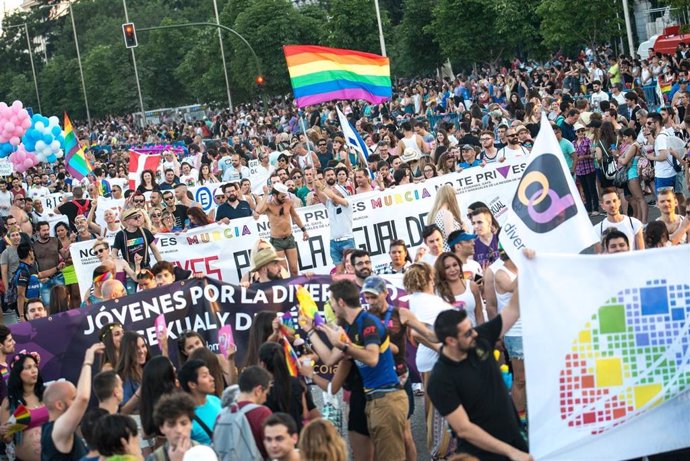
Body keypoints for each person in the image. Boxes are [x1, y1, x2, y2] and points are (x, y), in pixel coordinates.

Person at [306, 279, 408, 461]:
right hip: (372, 400)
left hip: (387, 397)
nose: (331, 306)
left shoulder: (368, 322)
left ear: (341, 302)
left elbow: (372, 358)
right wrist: (310, 331)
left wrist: (345, 347)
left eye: (331, 301)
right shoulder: (349, 327)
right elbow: (330, 359)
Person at [428, 289, 532, 461]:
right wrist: (509, 452)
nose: (475, 333)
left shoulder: (479, 338)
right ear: (451, 341)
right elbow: (464, 429)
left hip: (514, 439)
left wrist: (527, 265)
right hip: (482, 453)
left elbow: (513, 308)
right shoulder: (440, 380)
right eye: (468, 333)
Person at [361, 275, 439, 461]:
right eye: (367, 297)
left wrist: (451, 334)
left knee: (405, 434)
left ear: (385, 294)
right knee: (380, 436)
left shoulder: (401, 314)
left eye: (374, 296)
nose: (370, 301)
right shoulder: (364, 318)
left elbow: (428, 334)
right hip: (375, 380)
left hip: (399, 377)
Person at [41, 342, 104, 461]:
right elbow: (83, 398)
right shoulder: (57, 431)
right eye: (73, 398)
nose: (77, 402)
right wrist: (87, 362)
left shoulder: (53, 430)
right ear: (59, 405)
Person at [259, 341, 316, 433]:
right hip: (296, 438)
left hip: (272, 440)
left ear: (262, 364)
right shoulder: (297, 383)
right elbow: (311, 414)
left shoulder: (261, 390)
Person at [0, 351, 47, 461]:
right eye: (28, 367)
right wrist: (4, 433)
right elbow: (7, 438)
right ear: (18, 373)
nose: (34, 370)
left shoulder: (47, 394)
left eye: (35, 366)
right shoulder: (11, 402)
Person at [255, 183, 309, 276]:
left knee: (294, 269)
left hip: (289, 238)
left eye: (285, 195)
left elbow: (295, 216)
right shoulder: (269, 204)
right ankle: (288, 290)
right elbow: (257, 212)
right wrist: (266, 195)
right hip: (277, 241)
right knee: (284, 271)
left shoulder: (288, 202)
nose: (285, 197)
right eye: (282, 196)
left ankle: (296, 289)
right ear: (275, 195)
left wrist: (304, 230)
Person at [313, 171, 354, 274]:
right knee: (339, 272)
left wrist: (321, 186)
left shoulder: (347, 203)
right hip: (334, 242)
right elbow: (318, 192)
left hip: (347, 241)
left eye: (335, 191)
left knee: (352, 271)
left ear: (341, 193)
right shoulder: (329, 204)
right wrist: (315, 179)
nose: (333, 192)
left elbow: (333, 196)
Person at [178, 359, 222, 446]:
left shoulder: (215, 400)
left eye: (209, 374)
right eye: (205, 376)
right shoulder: (185, 417)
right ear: (192, 384)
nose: (212, 379)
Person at [234, 365, 274, 459]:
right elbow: (272, 448)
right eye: (266, 393)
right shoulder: (262, 413)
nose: (265, 398)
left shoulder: (223, 414)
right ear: (258, 390)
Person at [146, 393, 198, 461]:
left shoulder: (205, 453)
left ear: (191, 424)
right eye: (171, 424)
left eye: (184, 423)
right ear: (161, 428)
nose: (179, 430)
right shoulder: (154, 459)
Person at [112, 208, 162, 275]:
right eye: (135, 218)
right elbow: (114, 253)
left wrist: (162, 265)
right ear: (128, 221)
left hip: (146, 268)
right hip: (130, 271)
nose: (138, 219)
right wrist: (120, 263)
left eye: (139, 216)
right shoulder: (120, 235)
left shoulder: (145, 232)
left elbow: (155, 250)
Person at [594, 187, 645, 252]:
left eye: (614, 201)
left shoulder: (634, 224)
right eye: (608, 202)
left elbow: (641, 253)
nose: (612, 205)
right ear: (602, 206)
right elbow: (599, 257)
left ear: (619, 202)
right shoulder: (597, 230)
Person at [32, 221, 64, 306]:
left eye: (47, 229)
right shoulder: (34, 246)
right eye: (44, 230)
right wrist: (39, 277)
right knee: (48, 306)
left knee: (63, 302)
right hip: (44, 280)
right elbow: (32, 264)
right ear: (38, 232)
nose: (47, 232)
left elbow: (65, 255)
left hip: (59, 276)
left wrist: (72, 244)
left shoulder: (55, 240)